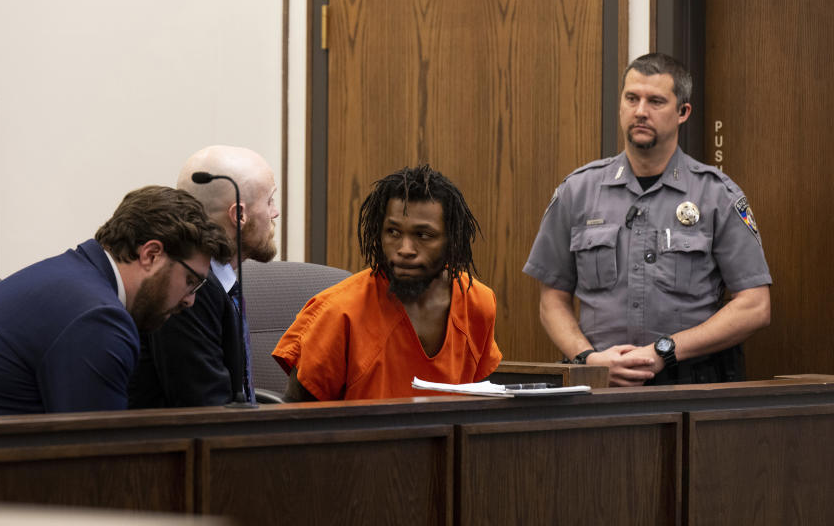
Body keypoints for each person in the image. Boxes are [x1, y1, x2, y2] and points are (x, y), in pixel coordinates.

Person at [0, 186, 232, 420]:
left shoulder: (68, 276)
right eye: (190, 281)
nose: (191, 300)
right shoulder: (98, 319)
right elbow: (98, 465)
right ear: (151, 254)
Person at [523, 53, 771, 386]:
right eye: (632, 99)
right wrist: (589, 360)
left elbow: (755, 306)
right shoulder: (577, 191)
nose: (641, 111)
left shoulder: (717, 195)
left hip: (691, 388)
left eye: (655, 101)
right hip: (599, 388)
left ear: (683, 112)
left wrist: (665, 351)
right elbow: (552, 299)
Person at [273, 164, 502, 401]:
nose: (404, 250)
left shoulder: (478, 302)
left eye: (423, 235)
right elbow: (297, 419)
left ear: (451, 241)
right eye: (393, 232)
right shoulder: (338, 311)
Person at [129, 146, 280, 407]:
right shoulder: (188, 291)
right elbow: (205, 411)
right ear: (239, 215)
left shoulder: (217, 281)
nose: (275, 212)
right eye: (269, 201)